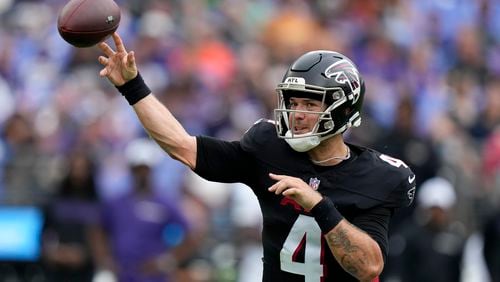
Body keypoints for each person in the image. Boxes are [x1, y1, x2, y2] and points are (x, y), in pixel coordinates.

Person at [96, 33, 416, 282]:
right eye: (293, 102)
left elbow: (368, 267)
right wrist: (132, 87)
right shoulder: (269, 149)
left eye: (309, 104)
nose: (297, 113)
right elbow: (182, 146)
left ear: (344, 110)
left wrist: (320, 206)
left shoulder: (377, 176)